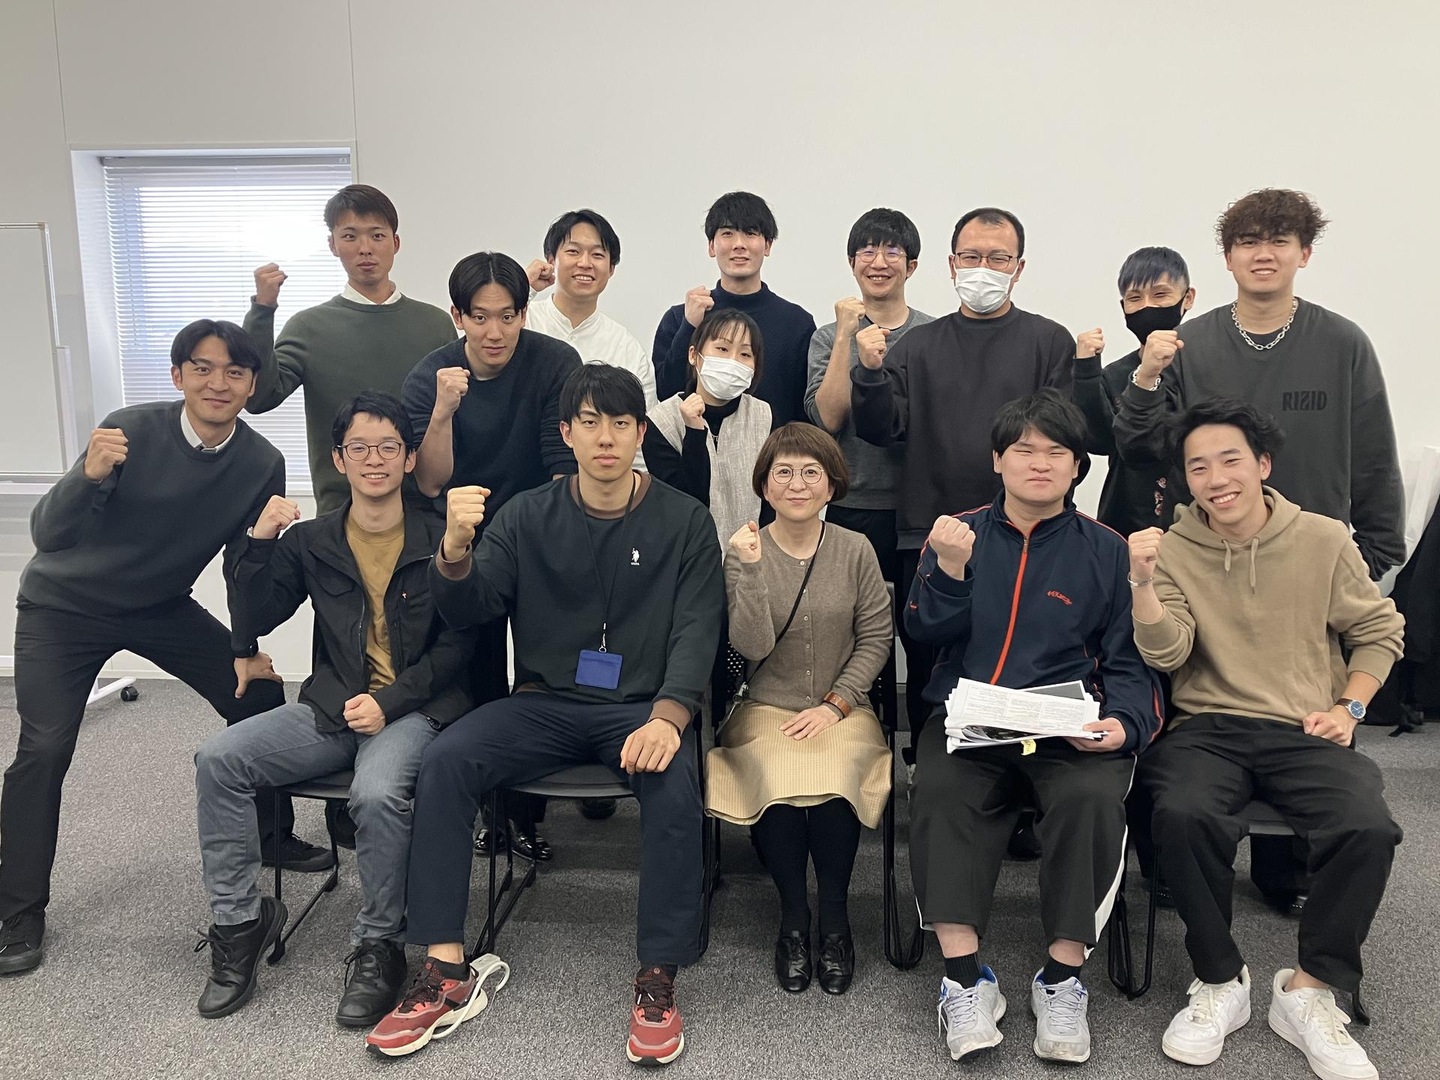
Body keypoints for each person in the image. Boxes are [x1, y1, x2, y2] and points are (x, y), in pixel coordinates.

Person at [366, 365, 723, 1066]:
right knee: (447, 760)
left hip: (640, 709)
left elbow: (698, 626)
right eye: (590, 423)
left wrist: (670, 716)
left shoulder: (684, 519)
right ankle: (445, 967)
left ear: (640, 434)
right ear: (567, 433)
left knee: (674, 782)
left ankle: (658, 974)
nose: (605, 438)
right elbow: (472, 608)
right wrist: (453, 552)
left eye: (620, 423)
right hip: (545, 703)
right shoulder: (527, 514)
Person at [0, 320, 326, 976]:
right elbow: (48, 534)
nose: (218, 383)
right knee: (44, 748)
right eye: (202, 368)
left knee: (259, 695)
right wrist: (86, 475)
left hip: (159, 607)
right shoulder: (128, 431)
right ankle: (18, 911)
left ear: (253, 386)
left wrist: (244, 647)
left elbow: (242, 566)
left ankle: (272, 836)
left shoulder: (261, 462)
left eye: (234, 372)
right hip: (63, 610)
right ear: (178, 376)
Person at [1129, 399, 1403, 1080]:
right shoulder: (1173, 548)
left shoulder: (1323, 539)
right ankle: (1220, 978)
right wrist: (1142, 584)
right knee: (1181, 813)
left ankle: (1308, 989)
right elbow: (1168, 652)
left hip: (1305, 724)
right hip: (1207, 726)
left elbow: (1378, 630)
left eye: (1231, 460)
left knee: (1366, 826)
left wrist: (1349, 707)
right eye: (1198, 467)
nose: (1216, 479)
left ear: (1263, 465)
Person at [191, 392, 476, 1025]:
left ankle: (379, 944)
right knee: (219, 760)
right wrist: (257, 543)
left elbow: (462, 645)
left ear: (408, 459)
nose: (374, 459)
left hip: (415, 708)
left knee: (375, 794)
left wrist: (390, 702)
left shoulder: (441, 536)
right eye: (359, 448)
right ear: (339, 459)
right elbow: (257, 615)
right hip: (333, 706)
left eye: (388, 447)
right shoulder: (312, 539)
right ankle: (240, 923)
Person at [906, 391, 1162, 1064]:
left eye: (1057, 452)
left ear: (1078, 466)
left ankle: (1062, 979)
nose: (1039, 463)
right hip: (974, 719)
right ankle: (965, 980)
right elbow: (923, 633)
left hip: (1068, 726)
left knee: (1092, 798)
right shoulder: (957, 535)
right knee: (940, 791)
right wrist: (951, 571)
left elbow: (1131, 662)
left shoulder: (1107, 551)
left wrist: (1124, 725)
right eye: (1023, 450)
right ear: (997, 460)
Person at [851, 206, 1075, 752]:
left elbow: (1061, 439)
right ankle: (925, 766)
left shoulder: (1049, 341)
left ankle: (1022, 776)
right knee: (929, 659)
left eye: (998, 258)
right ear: (952, 265)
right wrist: (870, 374)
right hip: (930, 530)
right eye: (972, 257)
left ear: (1019, 267)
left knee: (1022, 657)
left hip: (1027, 533)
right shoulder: (917, 346)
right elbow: (882, 430)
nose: (983, 268)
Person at [1113, 188, 1405, 579]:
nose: (1263, 254)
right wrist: (1145, 378)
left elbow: (1375, 462)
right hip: (1206, 565)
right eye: (1249, 242)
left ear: (1304, 254)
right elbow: (1140, 451)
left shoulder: (1343, 343)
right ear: (1229, 258)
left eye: (1279, 241)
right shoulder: (1188, 345)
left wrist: (1368, 562)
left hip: (1314, 566)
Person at [402, 251, 581, 858]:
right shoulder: (431, 374)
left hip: (536, 534)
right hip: (460, 539)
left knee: (540, 673)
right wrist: (443, 411)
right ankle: (490, 811)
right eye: (480, 317)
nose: (495, 331)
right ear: (458, 316)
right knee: (476, 674)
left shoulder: (554, 362)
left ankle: (526, 813)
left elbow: (562, 468)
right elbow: (430, 482)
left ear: (525, 313)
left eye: (508, 316)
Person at [705, 423, 892, 996]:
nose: (797, 484)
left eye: (812, 472)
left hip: (843, 706)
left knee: (838, 771)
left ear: (832, 485)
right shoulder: (745, 550)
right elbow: (751, 645)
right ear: (764, 484)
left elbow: (876, 638)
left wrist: (837, 704)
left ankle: (834, 919)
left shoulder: (856, 549)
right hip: (765, 705)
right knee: (776, 771)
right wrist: (749, 571)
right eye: (783, 472)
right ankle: (793, 919)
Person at [243, 184, 457, 514]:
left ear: (396, 243)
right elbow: (259, 398)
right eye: (350, 236)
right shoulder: (309, 327)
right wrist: (262, 310)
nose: (365, 249)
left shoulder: (435, 324)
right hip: (339, 516)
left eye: (377, 235)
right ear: (333, 244)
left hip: (426, 514)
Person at [806, 207, 934, 592]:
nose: (878, 263)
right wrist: (845, 336)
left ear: (911, 267)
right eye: (867, 251)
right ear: (852, 263)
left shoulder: (932, 335)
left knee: (917, 618)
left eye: (892, 252)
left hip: (919, 507)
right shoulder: (827, 337)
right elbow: (828, 420)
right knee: (853, 619)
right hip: (851, 504)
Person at [651, 191, 815, 427]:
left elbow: (805, 412)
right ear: (711, 246)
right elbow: (666, 395)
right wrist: (689, 327)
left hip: (773, 448)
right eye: (727, 233)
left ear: (767, 245)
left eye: (750, 233)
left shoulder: (796, 323)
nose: (739, 245)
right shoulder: (680, 317)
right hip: (693, 445)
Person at [1073, 246, 1195, 536]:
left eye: (1160, 295)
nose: (1146, 307)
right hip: (1125, 523)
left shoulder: (1203, 365)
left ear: (1187, 298)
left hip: (1196, 521)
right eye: (1135, 298)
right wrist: (1086, 370)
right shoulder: (1116, 374)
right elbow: (1099, 441)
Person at [646, 309, 772, 547]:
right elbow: (684, 504)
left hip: (752, 555)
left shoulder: (764, 416)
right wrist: (693, 434)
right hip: (688, 556)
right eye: (722, 349)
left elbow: (772, 500)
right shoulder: (661, 421)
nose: (733, 361)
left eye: (745, 354)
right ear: (694, 355)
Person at [522, 207, 659, 419]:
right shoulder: (523, 320)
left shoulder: (626, 349)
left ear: (611, 268)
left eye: (597, 255)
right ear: (551, 261)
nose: (585, 263)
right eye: (573, 251)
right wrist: (523, 288)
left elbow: (643, 428)